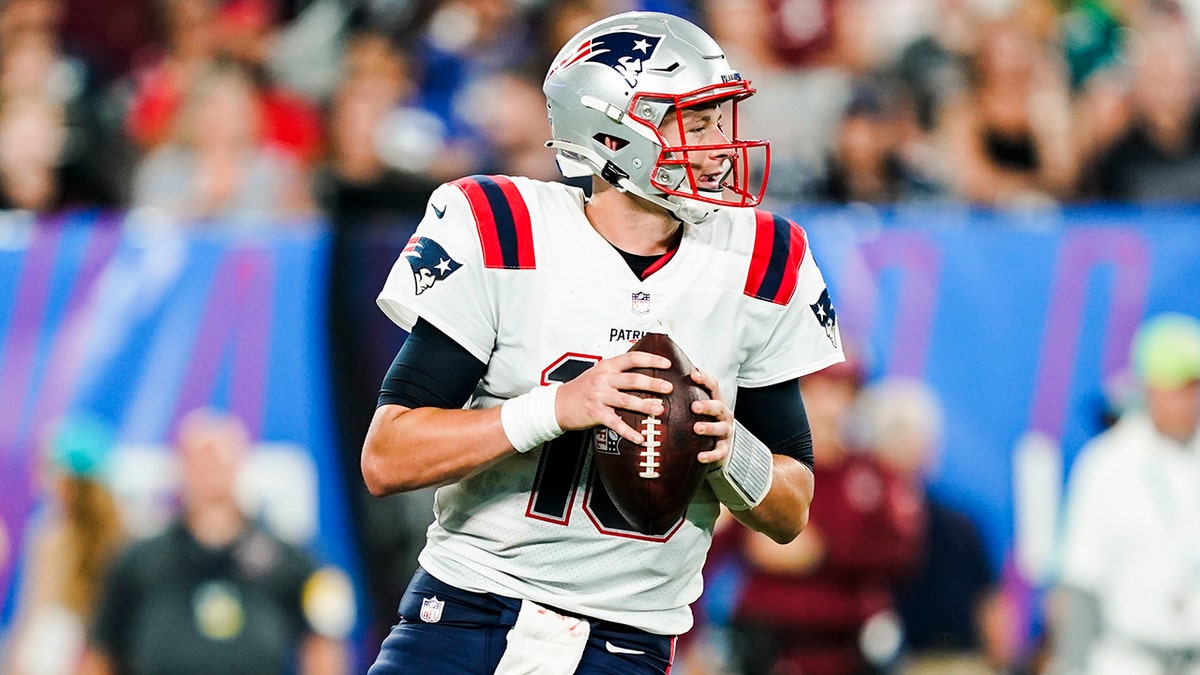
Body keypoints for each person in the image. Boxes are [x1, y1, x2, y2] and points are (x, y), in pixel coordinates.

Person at [360, 10, 845, 674]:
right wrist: (557, 408)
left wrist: (731, 450)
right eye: (694, 121)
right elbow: (387, 457)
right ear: (612, 134)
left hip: (626, 646)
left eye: (718, 119)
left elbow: (790, 510)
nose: (717, 143)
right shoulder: (502, 229)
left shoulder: (761, 257)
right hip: (467, 617)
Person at [82, 408, 352, 675]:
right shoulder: (139, 560)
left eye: (219, 458)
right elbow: (100, 650)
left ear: (239, 462)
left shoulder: (286, 557)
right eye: (199, 459)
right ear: (180, 465)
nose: (210, 470)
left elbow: (323, 641)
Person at [726, 346, 926, 675]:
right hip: (765, 647)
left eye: (839, 392)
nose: (826, 407)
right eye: (814, 390)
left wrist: (823, 552)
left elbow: (902, 553)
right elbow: (719, 539)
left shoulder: (873, 474)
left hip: (845, 650)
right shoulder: (764, 464)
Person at [1049, 312, 1200, 675]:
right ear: (1150, 390)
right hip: (1129, 659)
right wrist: (1072, 665)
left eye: (1194, 387)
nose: (1188, 400)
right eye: (1177, 388)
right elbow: (1082, 580)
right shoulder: (1107, 463)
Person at [3, 413, 126, 675]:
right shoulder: (50, 533)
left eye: (46, 467)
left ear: (67, 481)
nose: (39, 477)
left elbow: (35, 614)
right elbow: (33, 618)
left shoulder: (119, 542)